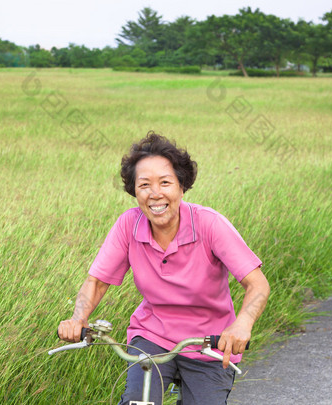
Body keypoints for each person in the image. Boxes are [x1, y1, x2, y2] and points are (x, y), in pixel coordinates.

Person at [58, 132, 270, 405]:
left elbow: (258, 284)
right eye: (144, 184)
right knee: (139, 401)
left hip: (209, 343)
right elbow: (97, 281)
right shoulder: (128, 225)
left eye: (165, 183)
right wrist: (78, 318)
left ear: (182, 186)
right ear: (134, 190)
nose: (155, 194)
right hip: (152, 337)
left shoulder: (210, 225)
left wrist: (242, 324)